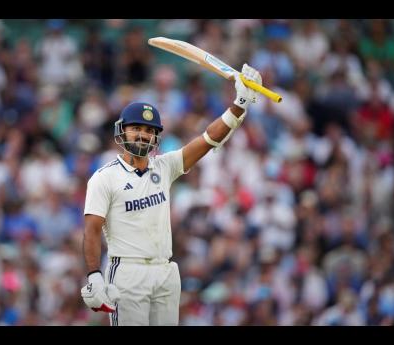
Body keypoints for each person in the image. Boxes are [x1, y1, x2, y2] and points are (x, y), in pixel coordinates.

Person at [80, 64, 262, 326]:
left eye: (149, 131)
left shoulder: (164, 167)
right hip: (127, 271)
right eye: (137, 129)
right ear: (123, 131)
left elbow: (208, 139)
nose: (143, 135)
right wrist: (94, 275)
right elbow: (92, 229)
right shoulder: (104, 177)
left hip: (165, 270)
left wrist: (239, 104)